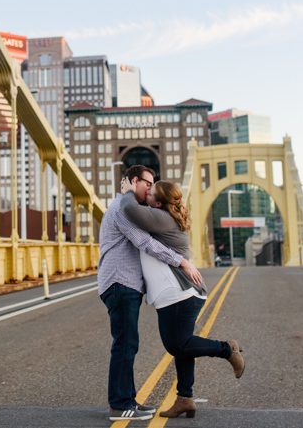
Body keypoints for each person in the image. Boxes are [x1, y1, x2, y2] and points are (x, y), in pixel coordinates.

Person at [119, 177, 245, 419]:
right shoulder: (160, 216)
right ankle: (185, 399)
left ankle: (227, 350)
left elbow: (128, 209)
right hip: (180, 294)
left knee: (176, 344)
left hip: (178, 294)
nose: (146, 194)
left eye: (151, 192)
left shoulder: (161, 218)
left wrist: (127, 191)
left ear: (159, 202)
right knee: (183, 347)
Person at [98, 164, 203, 422]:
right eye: (147, 183)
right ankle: (120, 405)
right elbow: (144, 242)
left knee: (128, 344)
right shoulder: (122, 210)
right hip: (120, 283)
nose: (150, 188)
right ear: (134, 182)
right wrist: (181, 261)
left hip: (125, 285)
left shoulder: (132, 209)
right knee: (124, 344)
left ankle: (128, 401)